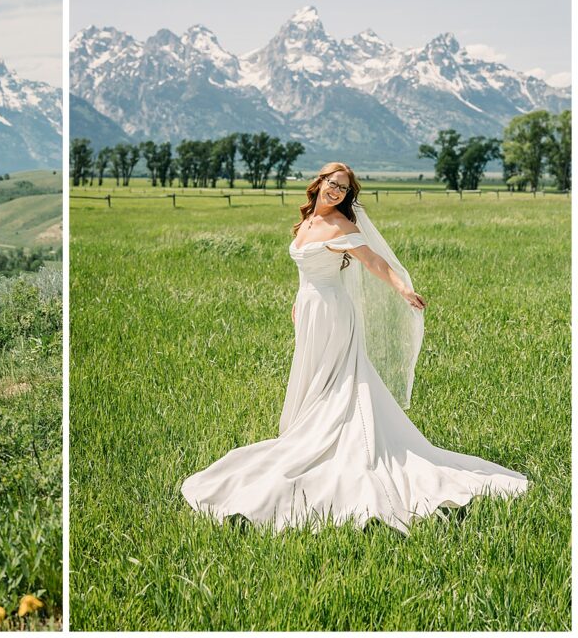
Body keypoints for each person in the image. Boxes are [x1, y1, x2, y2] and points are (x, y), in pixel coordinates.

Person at [181, 162, 528, 533]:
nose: (337, 192)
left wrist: (403, 288)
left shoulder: (342, 226)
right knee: (316, 379)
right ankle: (312, 430)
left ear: (348, 194)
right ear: (319, 183)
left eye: (344, 188)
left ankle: (339, 441)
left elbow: (375, 262)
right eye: (333, 184)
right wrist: (298, 303)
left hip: (333, 313)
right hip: (311, 312)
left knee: (340, 380)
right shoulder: (306, 223)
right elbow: (306, 271)